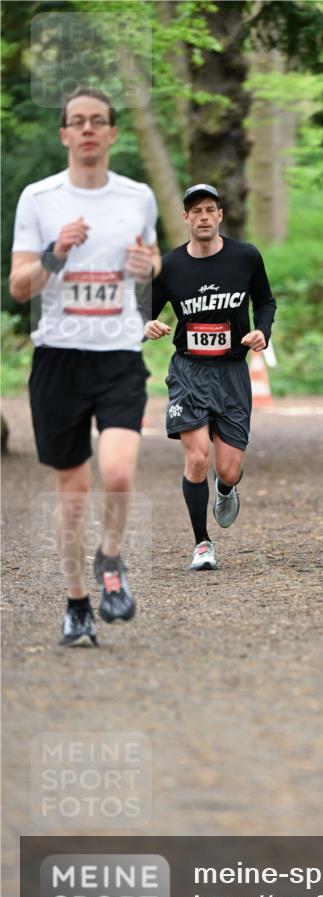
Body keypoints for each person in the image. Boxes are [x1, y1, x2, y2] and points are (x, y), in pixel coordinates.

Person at [9, 86, 160, 646]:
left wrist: (150, 265)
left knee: (119, 473)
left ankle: (111, 560)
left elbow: (153, 263)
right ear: (66, 135)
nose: (89, 129)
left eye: (99, 120)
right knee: (72, 493)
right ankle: (76, 603)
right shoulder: (40, 199)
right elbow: (19, 285)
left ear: (113, 133)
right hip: (59, 360)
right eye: (79, 121)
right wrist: (57, 253)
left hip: (119, 355)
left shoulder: (138, 196)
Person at [143, 184, 276, 570]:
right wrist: (146, 325)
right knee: (198, 458)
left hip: (232, 372)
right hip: (189, 371)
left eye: (210, 210)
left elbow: (265, 301)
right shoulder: (169, 266)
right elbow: (141, 312)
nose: (203, 217)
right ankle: (202, 543)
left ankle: (227, 488)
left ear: (220, 216)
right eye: (195, 211)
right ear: (186, 219)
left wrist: (263, 331)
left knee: (228, 467)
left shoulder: (246, 257)